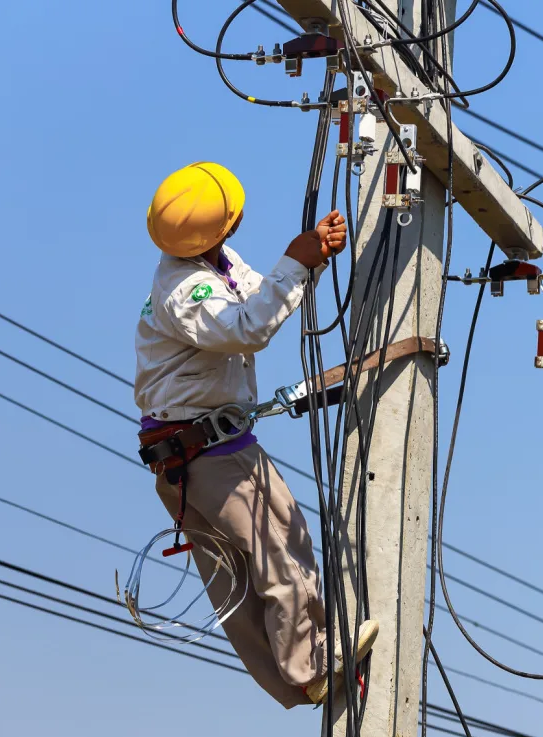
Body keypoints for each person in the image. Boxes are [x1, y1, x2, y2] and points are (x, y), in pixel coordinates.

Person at [134, 161, 378, 708]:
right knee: (282, 547)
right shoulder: (187, 289)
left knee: (239, 585)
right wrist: (297, 261)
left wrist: (307, 258)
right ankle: (312, 666)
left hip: (185, 456)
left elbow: (254, 295)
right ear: (228, 223)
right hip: (211, 452)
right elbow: (248, 326)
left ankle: (297, 679)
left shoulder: (205, 263)